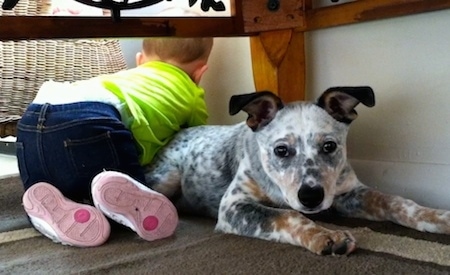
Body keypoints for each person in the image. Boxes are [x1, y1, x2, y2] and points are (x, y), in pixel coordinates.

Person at [16, 33, 214, 247]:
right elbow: (195, 142)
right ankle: (104, 202)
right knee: (121, 194)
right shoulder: (192, 94)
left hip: (32, 119)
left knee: (49, 186)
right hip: (90, 118)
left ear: (139, 60)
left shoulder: (124, 78)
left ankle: (53, 209)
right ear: (199, 73)